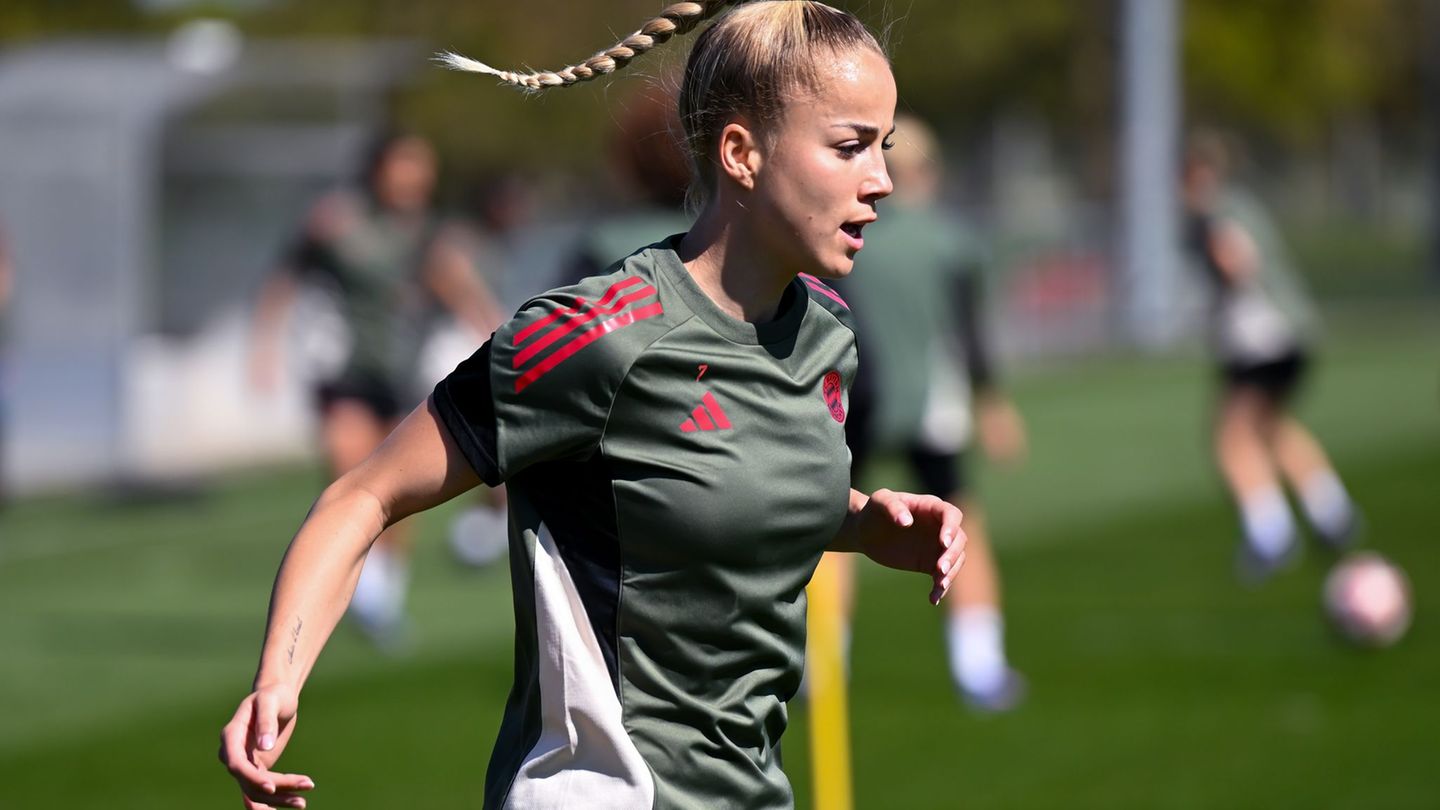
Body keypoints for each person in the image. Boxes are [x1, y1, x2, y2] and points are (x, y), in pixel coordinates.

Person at [219, 3, 970, 808]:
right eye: (850, 146)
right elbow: (364, 495)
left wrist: (861, 522)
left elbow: (716, 491)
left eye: (882, 149)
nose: (882, 181)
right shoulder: (595, 336)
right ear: (743, 153)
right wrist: (277, 681)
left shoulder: (827, 336)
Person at [248, 131, 503, 644]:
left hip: (402, 372)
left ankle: (381, 592)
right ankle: (361, 588)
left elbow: (457, 284)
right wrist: (265, 346)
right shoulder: (336, 220)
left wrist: (497, 331)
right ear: (379, 168)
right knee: (348, 467)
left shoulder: (431, 232)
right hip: (343, 371)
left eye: (422, 167)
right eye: (405, 165)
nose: (414, 178)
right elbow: (283, 281)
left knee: (397, 488)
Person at [824, 113, 1028, 711]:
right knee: (963, 523)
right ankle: (980, 665)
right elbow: (969, 333)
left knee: (832, 522)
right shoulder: (949, 239)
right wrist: (992, 403)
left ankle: (821, 661)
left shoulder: (848, 238)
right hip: (930, 405)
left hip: (852, 400)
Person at [1181, 132, 1359, 583]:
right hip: (1290, 334)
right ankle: (1332, 512)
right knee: (1273, 428)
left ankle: (1271, 535)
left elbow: (1237, 263)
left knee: (1232, 438)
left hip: (1264, 340)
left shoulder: (1217, 215)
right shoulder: (1240, 205)